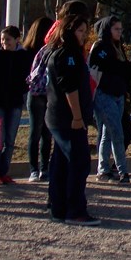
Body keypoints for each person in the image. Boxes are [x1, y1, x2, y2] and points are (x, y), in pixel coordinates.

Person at [45, 13, 100, 225]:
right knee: (78, 162)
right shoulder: (67, 54)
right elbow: (70, 88)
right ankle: (75, 210)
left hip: (61, 117)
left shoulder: (66, 53)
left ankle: (59, 208)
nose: (83, 35)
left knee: (62, 163)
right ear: (68, 31)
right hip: (66, 118)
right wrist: (77, 117)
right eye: (79, 31)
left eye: (85, 31)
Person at [0, 25, 32, 186]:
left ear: (17, 39)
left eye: (8, 39)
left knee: (10, 140)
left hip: (15, 103)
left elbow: (27, 78)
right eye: (3, 39)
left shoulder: (23, 57)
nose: (5, 42)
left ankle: (4, 171)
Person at [90, 16, 131, 183]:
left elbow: (124, 68)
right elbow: (99, 67)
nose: (119, 32)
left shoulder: (118, 46)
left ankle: (103, 169)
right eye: (116, 29)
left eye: (121, 29)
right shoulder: (101, 47)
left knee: (108, 133)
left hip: (118, 94)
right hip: (104, 94)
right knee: (116, 132)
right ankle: (123, 170)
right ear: (108, 30)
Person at [24, 16, 55, 182]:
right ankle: (43, 168)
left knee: (35, 132)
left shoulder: (29, 51)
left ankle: (34, 169)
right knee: (45, 134)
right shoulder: (48, 50)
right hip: (47, 93)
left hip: (34, 93)